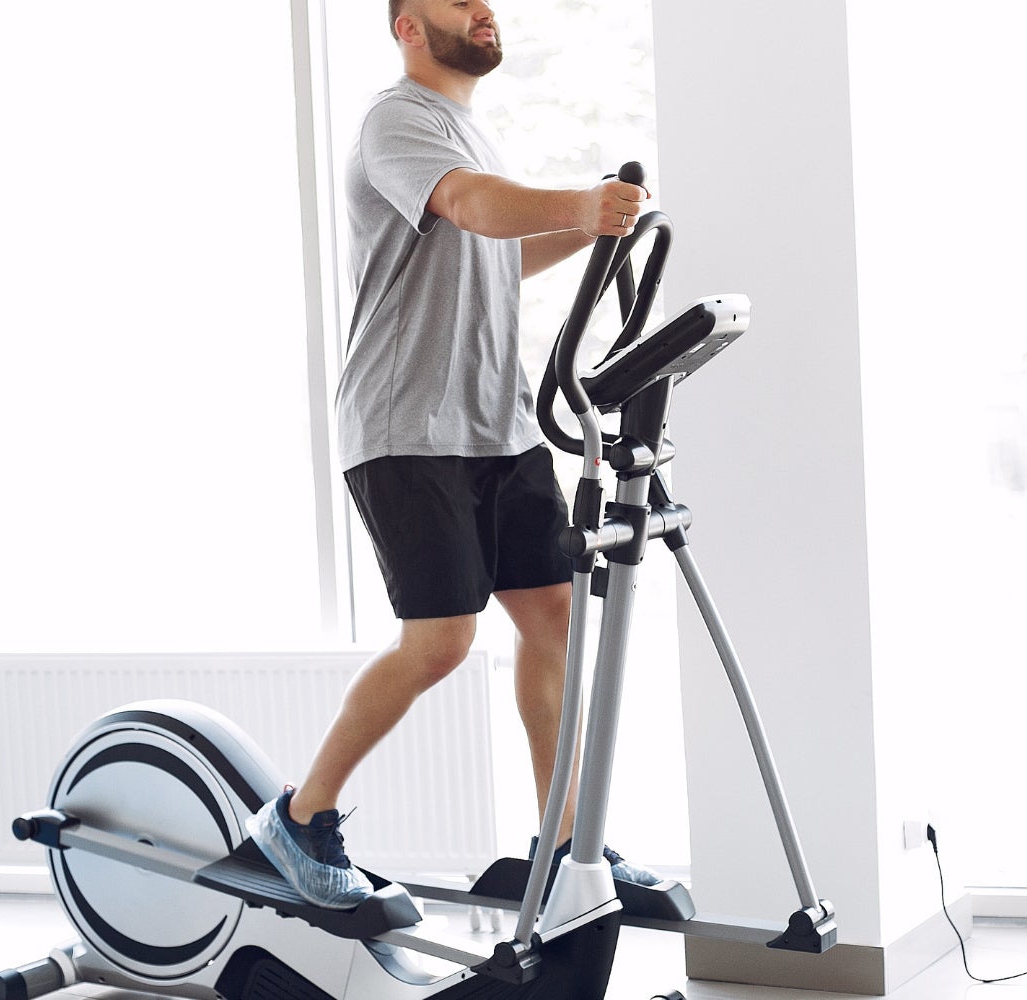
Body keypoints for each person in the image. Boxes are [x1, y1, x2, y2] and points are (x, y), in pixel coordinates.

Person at [246, 0, 656, 910]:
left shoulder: (471, 133)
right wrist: (581, 202)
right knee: (440, 642)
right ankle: (300, 818)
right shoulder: (399, 120)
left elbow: (493, 255)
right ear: (406, 26)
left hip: (497, 425)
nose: (481, 8)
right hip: (408, 426)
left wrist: (593, 228)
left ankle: (562, 844)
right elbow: (473, 208)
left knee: (552, 617)